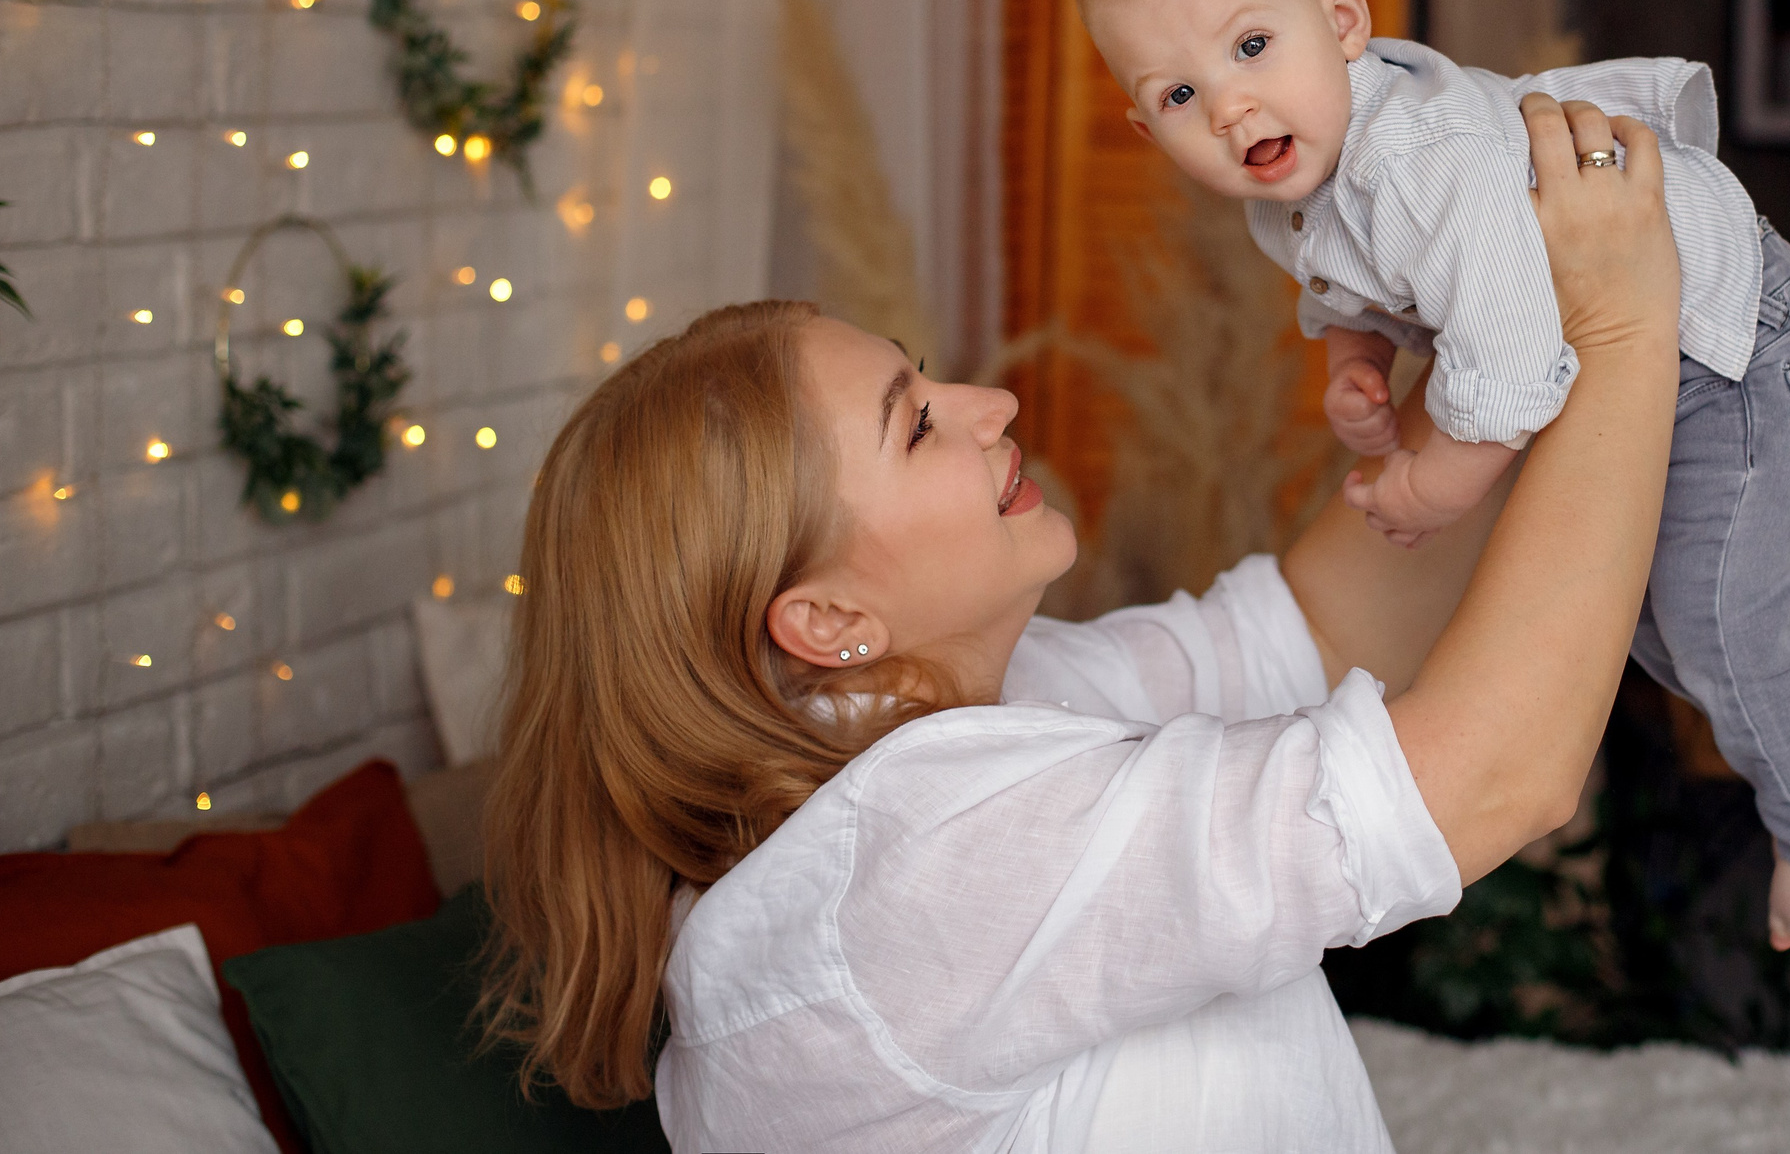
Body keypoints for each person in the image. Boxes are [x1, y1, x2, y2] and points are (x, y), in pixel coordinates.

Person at [481, 95, 1682, 1151]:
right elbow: (1489, 783)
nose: (993, 404)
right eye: (915, 425)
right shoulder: (917, 863)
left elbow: (1313, 627)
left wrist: (1488, 355)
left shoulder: (950, 720)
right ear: (828, 616)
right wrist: (1625, 329)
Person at [1075, 0, 1790, 951]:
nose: (1229, 107)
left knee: (1712, 621)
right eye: (1178, 96)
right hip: (1658, 348)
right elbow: (1353, 285)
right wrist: (1358, 363)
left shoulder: (1418, 158)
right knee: (1648, 623)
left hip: (1737, 352)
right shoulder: (1289, 199)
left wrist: (1434, 484)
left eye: (1250, 47)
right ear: (1147, 130)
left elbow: (1508, 368)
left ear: (1340, 18)